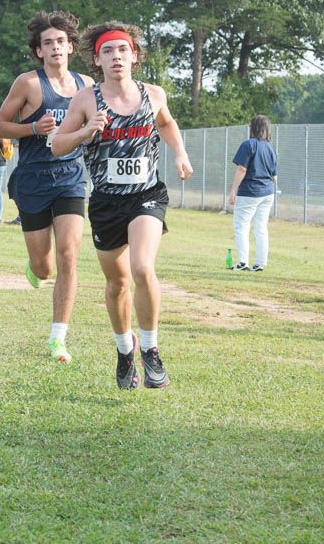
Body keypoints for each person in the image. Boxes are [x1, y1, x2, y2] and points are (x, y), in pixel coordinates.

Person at [52, 21, 193, 390]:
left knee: (142, 267)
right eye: (108, 51)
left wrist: (180, 153)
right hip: (106, 202)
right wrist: (85, 132)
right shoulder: (85, 99)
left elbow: (167, 122)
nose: (117, 57)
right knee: (117, 283)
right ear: (97, 59)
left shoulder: (154, 94)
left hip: (146, 194)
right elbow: (57, 145)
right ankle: (124, 351)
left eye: (123, 50)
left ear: (134, 55)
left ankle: (151, 350)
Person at [0, 11, 95, 363]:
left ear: (71, 47)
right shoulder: (29, 84)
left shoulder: (86, 86)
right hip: (33, 179)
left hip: (70, 177)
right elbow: (1, 128)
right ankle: (34, 264)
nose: (55, 48)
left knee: (69, 254)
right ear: (38, 50)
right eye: (48, 43)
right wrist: (33, 129)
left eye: (61, 42)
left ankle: (57, 339)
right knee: (45, 268)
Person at [227, 115, 278, 272]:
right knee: (261, 227)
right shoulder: (270, 148)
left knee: (241, 226)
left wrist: (233, 190)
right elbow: (274, 177)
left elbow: (242, 169)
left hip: (250, 191)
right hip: (268, 192)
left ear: (252, 128)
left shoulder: (248, 145)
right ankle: (259, 263)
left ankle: (242, 262)